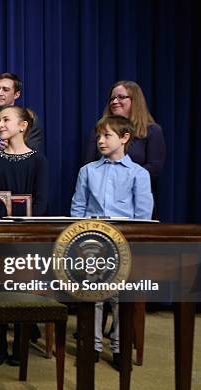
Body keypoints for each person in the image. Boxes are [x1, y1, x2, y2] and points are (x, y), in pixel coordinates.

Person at [71, 115, 153, 371]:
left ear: (125, 138)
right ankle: (92, 346)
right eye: (98, 136)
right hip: (93, 243)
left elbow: (142, 216)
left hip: (123, 245)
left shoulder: (139, 174)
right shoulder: (88, 171)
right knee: (93, 295)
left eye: (107, 136)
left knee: (120, 297)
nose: (100, 141)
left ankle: (119, 347)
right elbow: (78, 208)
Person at [0, 106, 48, 366]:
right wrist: (0, 222)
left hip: (27, 236)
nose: (1, 124)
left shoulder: (38, 160)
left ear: (23, 126)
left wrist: (26, 227)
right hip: (1, 233)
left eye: (6, 120)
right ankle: (0, 347)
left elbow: (41, 201)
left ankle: (20, 345)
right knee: (0, 288)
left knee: (22, 290)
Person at [83, 80, 166, 214]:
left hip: (135, 203)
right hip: (100, 205)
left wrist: (119, 181)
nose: (114, 101)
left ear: (135, 101)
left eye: (121, 97)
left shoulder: (152, 131)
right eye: (112, 98)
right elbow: (88, 163)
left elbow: (154, 168)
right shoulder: (97, 130)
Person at [0, 73, 44, 160]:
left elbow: (34, 158)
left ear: (17, 94)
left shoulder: (30, 121)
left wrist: (12, 152)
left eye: (5, 90)